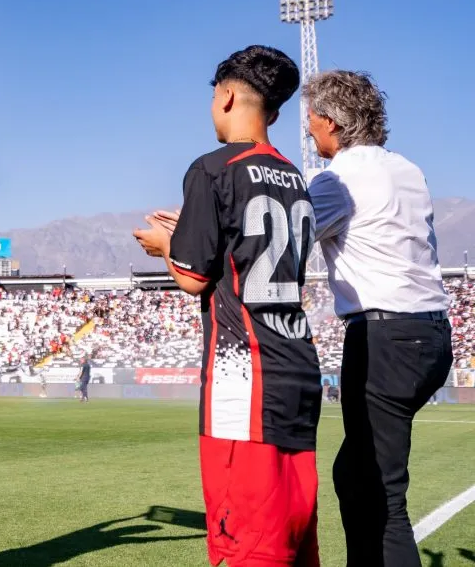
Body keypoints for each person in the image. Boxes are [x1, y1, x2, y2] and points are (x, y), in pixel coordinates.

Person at [134, 46, 322, 567]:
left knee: (249, 544)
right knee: (293, 536)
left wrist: (164, 246)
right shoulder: (293, 175)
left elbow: (194, 278)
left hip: (244, 375)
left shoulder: (213, 168)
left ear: (228, 95)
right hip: (298, 369)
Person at [303, 70, 453, 567]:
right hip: (429, 333)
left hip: (385, 338)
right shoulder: (407, 168)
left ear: (329, 121)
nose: (307, 129)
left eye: (310, 119)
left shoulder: (338, 179)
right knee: (354, 474)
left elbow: (283, 243)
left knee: (383, 496)